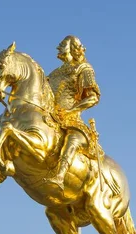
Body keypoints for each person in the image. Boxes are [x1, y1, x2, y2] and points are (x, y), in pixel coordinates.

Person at [45, 36, 102, 190]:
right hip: (51, 117)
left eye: (62, 44)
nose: (58, 47)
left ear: (72, 48)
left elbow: (93, 98)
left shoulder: (84, 68)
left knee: (72, 140)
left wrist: (70, 112)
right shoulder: (54, 73)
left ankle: (60, 176)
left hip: (72, 120)